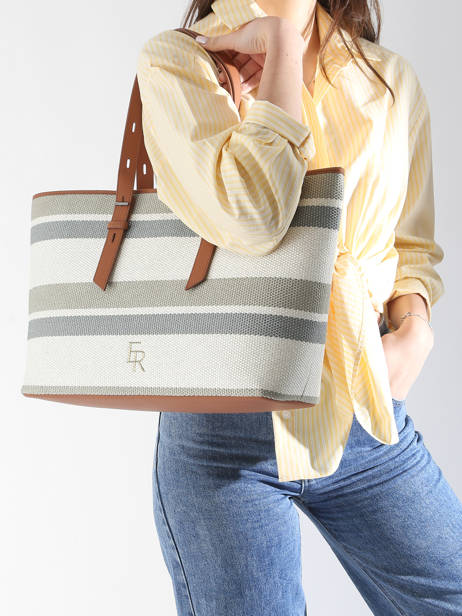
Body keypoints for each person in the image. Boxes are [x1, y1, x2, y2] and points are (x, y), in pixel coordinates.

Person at [136, 1, 462, 614]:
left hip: (365, 410)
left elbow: (410, 246)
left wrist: (414, 327)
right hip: (227, 435)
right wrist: (282, 49)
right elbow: (255, 215)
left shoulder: (388, 78)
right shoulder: (183, 61)